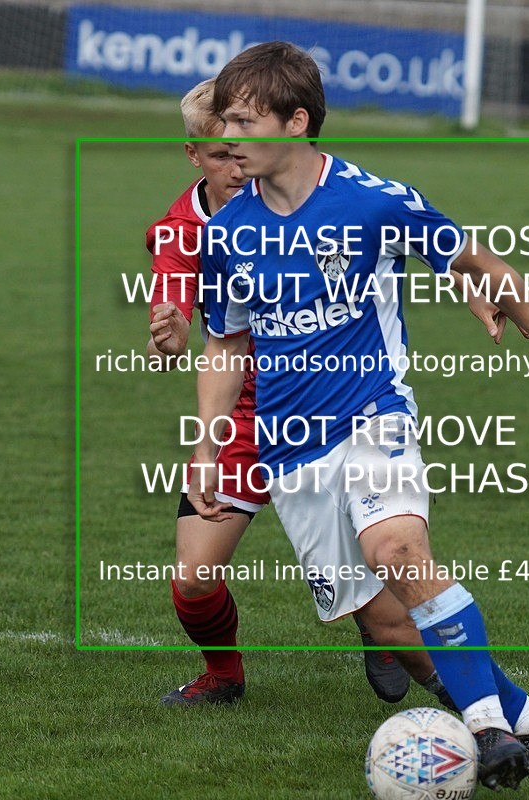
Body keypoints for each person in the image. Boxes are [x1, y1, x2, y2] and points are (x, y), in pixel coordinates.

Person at [188, 43, 529, 790]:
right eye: (223, 121)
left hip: (375, 413)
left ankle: (488, 734)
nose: (228, 136)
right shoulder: (225, 235)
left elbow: (483, 266)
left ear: (295, 121)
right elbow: (225, 343)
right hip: (289, 449)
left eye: (243, 120)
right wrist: (209, 446)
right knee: (388, 624)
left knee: (401, 551)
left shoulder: (375, 200)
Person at [147, 78, 468, 708]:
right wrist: (171, 323)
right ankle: (224, 674)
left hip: (333, 406)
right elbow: (180, 306)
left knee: (380, 560)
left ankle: (468, 703)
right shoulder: (186, 230)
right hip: (243, 418)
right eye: (219, 154)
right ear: (194, 155)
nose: (236, 165)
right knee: (192, 581)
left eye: (243, 146)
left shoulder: (313, 200)